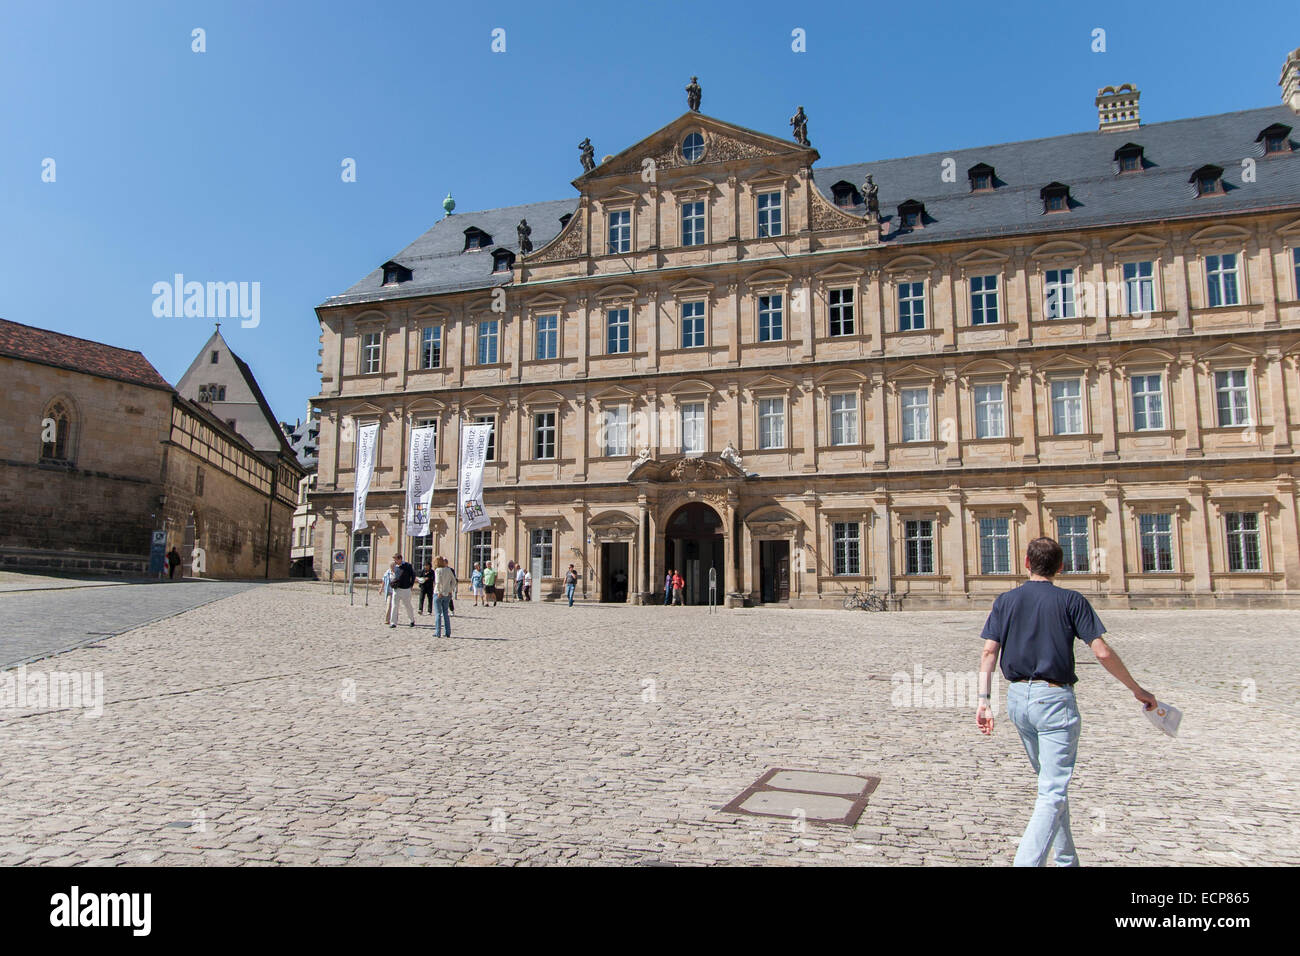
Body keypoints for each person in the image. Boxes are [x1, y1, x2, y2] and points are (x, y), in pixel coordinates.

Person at [976, 536, 1157, 867]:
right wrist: (1136, 689)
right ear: (1061, 567)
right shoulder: (1071, 600)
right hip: (1054, 700)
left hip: (1018, 700)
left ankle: (1066, 861)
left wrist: (984, 701)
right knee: (1052, 792)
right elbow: (1100, 651)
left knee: (1051, 787)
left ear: (1027, 563)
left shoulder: (1005, 600)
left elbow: (989, 651)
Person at [389, 553, 417, 628]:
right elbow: (393, 576)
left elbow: (413, 575)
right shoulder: (395, 566)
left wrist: (411, 585)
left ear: (400, 559)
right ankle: (393, 622)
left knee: (408, 605)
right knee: (394, 606)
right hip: (397, 589)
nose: (394, 561)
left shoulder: (408, 566)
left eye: (396, 559)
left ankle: (412, 620)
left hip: (406, 589)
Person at [432, 556, 456, 638]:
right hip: (447, 594)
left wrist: (439, 591)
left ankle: (437, 632)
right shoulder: (448, 570)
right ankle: (447, 632)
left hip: (438, 594)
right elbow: (454, 581)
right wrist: (450, 590)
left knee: (438, 614)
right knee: (446, 613)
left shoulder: (438, 570)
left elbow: (438, 582)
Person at [381, 558, 397, 625]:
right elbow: (384, 580)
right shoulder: (388, 572)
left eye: (393, 566)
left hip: (396, 591)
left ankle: (394, 620)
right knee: (389, 605)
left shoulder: (398, 572)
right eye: (391, 566)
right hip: (389, 591)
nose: (392, 567)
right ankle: (387, 620)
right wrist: (381, 588)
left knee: (395, 606)